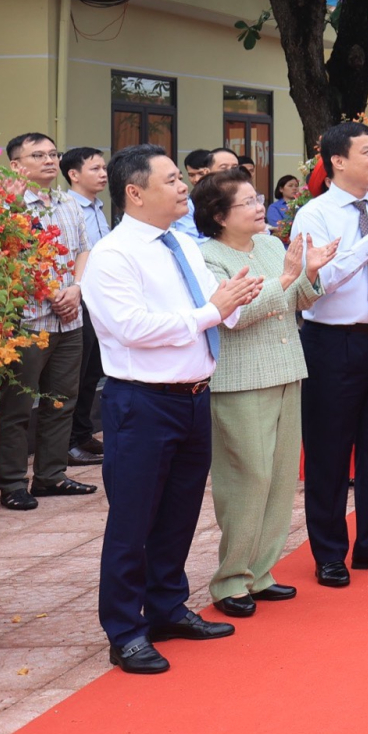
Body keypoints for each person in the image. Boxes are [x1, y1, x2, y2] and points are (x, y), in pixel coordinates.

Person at [81, 144, 261, 674]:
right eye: (170, 180)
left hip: (192, 395)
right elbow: (131, 328)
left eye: (181, 179)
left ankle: (165, 607)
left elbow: (215, 308)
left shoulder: (177, 245)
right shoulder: (113, 255)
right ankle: (125, 628)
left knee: (179, 512)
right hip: (142, 400)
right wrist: (212, 310)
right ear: (135, 193)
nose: (184, 187)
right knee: (133, 519)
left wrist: (235, 297)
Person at [195, 168, 335, 618]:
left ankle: (261, 572)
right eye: (248, 203)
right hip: (239, 378)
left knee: (278, 479)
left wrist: (308, 274)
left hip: (287, 367)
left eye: (259, 199)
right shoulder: (208, 257)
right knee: (246, 479)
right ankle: (230, 579)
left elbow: (302, 301)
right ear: (218, 215)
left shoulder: (273, 245)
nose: (260, 207)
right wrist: (288, 278)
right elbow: (233, 315)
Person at [291, 123, 368, 585]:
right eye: (367, 151)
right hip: (334, 343)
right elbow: (317, 284)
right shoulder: (315, 215)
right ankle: (328, 553)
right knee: (329, 450)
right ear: (337, 161)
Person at [0, 132, 98, 510]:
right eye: (38, 155)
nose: (49, 161)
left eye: (53, 154)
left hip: (70, 319)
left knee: (62, 401)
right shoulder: (6, 207)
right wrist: (52, 292)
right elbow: (5, 259)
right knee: (18, 405)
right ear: (17, 166)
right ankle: (10, 482)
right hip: (28, 319)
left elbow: (84, 250)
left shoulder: (67, 203)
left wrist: (76, 289)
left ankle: (51, 476)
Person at [61, 146, 110, 467]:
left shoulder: (98, 208)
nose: (103, 173)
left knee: (93, 370)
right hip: (77, 298)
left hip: (100, 298)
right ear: (74, 175)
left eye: (104, 168)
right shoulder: (68, 207)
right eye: (95, 169)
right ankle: (67, 442)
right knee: (74, 375)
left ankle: (82, 434)